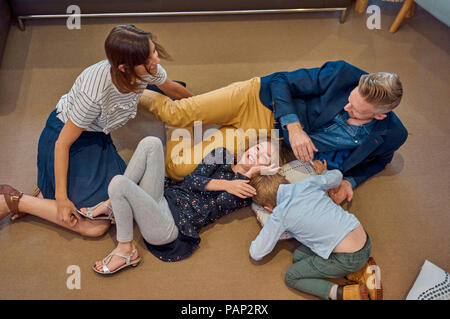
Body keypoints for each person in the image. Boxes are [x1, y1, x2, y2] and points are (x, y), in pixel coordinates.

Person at [0, 25, 192, 236]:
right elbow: (62, 144)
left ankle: (43, 198)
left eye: (154, 51)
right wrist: (62, 200)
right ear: (123, 67)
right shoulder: (94, 93)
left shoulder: (149, 70)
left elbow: (171, 87)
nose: (156, 61)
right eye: (147, 60)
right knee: (96, 226)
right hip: (69, 139)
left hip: (98, 136)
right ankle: (14, 201)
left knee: (121, 201)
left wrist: (201, 105)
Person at [139, 60, 408, 204]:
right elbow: (281, 80)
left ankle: (189, 114)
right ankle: (128, 89)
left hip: (265, 138)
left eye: (356, 110)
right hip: (257, 98)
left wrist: (351, 181)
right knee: (172, 112)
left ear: (380, 115)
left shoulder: (393, 134)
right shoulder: (341, 73)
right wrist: (295, 126)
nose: (347, 106)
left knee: (177, 169)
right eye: (350, 98)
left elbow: (380, 160)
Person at [85, 136, 280, 274]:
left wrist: (250, 174)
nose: (256, 154)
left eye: (264, 157)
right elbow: (190, 181)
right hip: (162, 198)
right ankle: (112, 205)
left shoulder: (245, 191)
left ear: (266, 168)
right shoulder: (222, 154)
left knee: (119, 183)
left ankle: (126, 249)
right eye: (257, 148)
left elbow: (219, 204)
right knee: (150, 143)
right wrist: (228, 184)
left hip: (170, 227)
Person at [248, 163, 382, 300]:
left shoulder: (278, 216)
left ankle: (342, 292)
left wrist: (267, 225)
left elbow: (257, 253)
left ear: (268, 208)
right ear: (287, 181)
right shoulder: (308, 183)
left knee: (291, 276)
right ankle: (358, 270)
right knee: (298, 256)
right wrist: (323, 173)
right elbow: (337, 176)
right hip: (365, 239)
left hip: (349, 258)